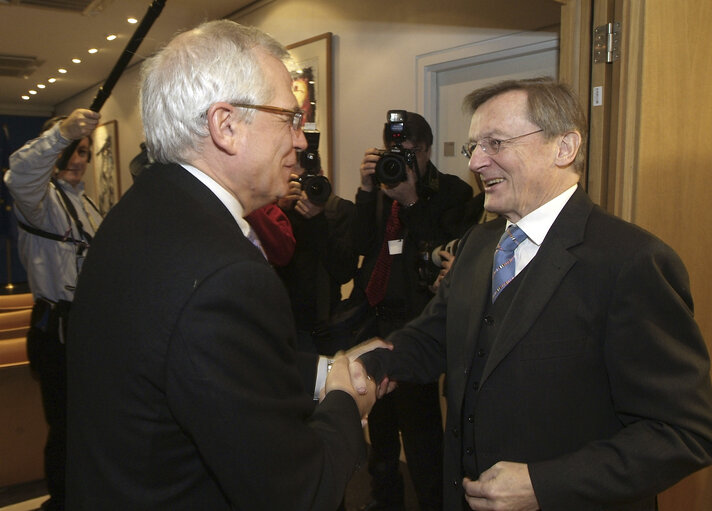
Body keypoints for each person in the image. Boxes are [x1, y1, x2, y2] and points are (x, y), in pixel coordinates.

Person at [65, 20, 382, 510]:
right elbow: (297, 492)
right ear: (226, 125)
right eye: (289, 118)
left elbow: (203, 362)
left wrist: (322, 372)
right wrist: (345, 399)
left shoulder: (143, 210)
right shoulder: (226, 274)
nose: (301, 141)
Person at [359, 77, 712, 510]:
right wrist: (364, 366)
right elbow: (436, 336)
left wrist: (546, 484)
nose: (477, 162)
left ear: (564, 148)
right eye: (475, 147)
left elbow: (684, 433)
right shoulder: (477, 245)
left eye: (495, 143)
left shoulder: (632, 262)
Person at [354, 111, 473, 511]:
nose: (401, 162)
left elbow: (444, 255)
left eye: (410, 153)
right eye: (394, 152)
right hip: (374, 320)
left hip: (418, 328)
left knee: (422, 443)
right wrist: (368, 191)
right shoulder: (381, 186)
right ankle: (383, 502)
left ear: (426, 150)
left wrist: (412, 202)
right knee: (381, 438)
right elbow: (358, 245)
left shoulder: (454, 193)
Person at [3, 108, 102, 511]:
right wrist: (61, 134)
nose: (78, 159)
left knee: (92, 427)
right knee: (64, 430)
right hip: (55, 334)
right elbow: (20, 173)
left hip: (89, 332)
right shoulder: (39, 203)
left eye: (84, 151)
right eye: (70, 151)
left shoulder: (89, 206)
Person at [276, 161, 358, 355]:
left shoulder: (340, 210)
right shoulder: (277, 212)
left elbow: (345, 271)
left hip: (326, 329)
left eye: (309, 179)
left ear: (321, 175)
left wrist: (319, 221)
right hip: (283, 325)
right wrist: (280, 210)